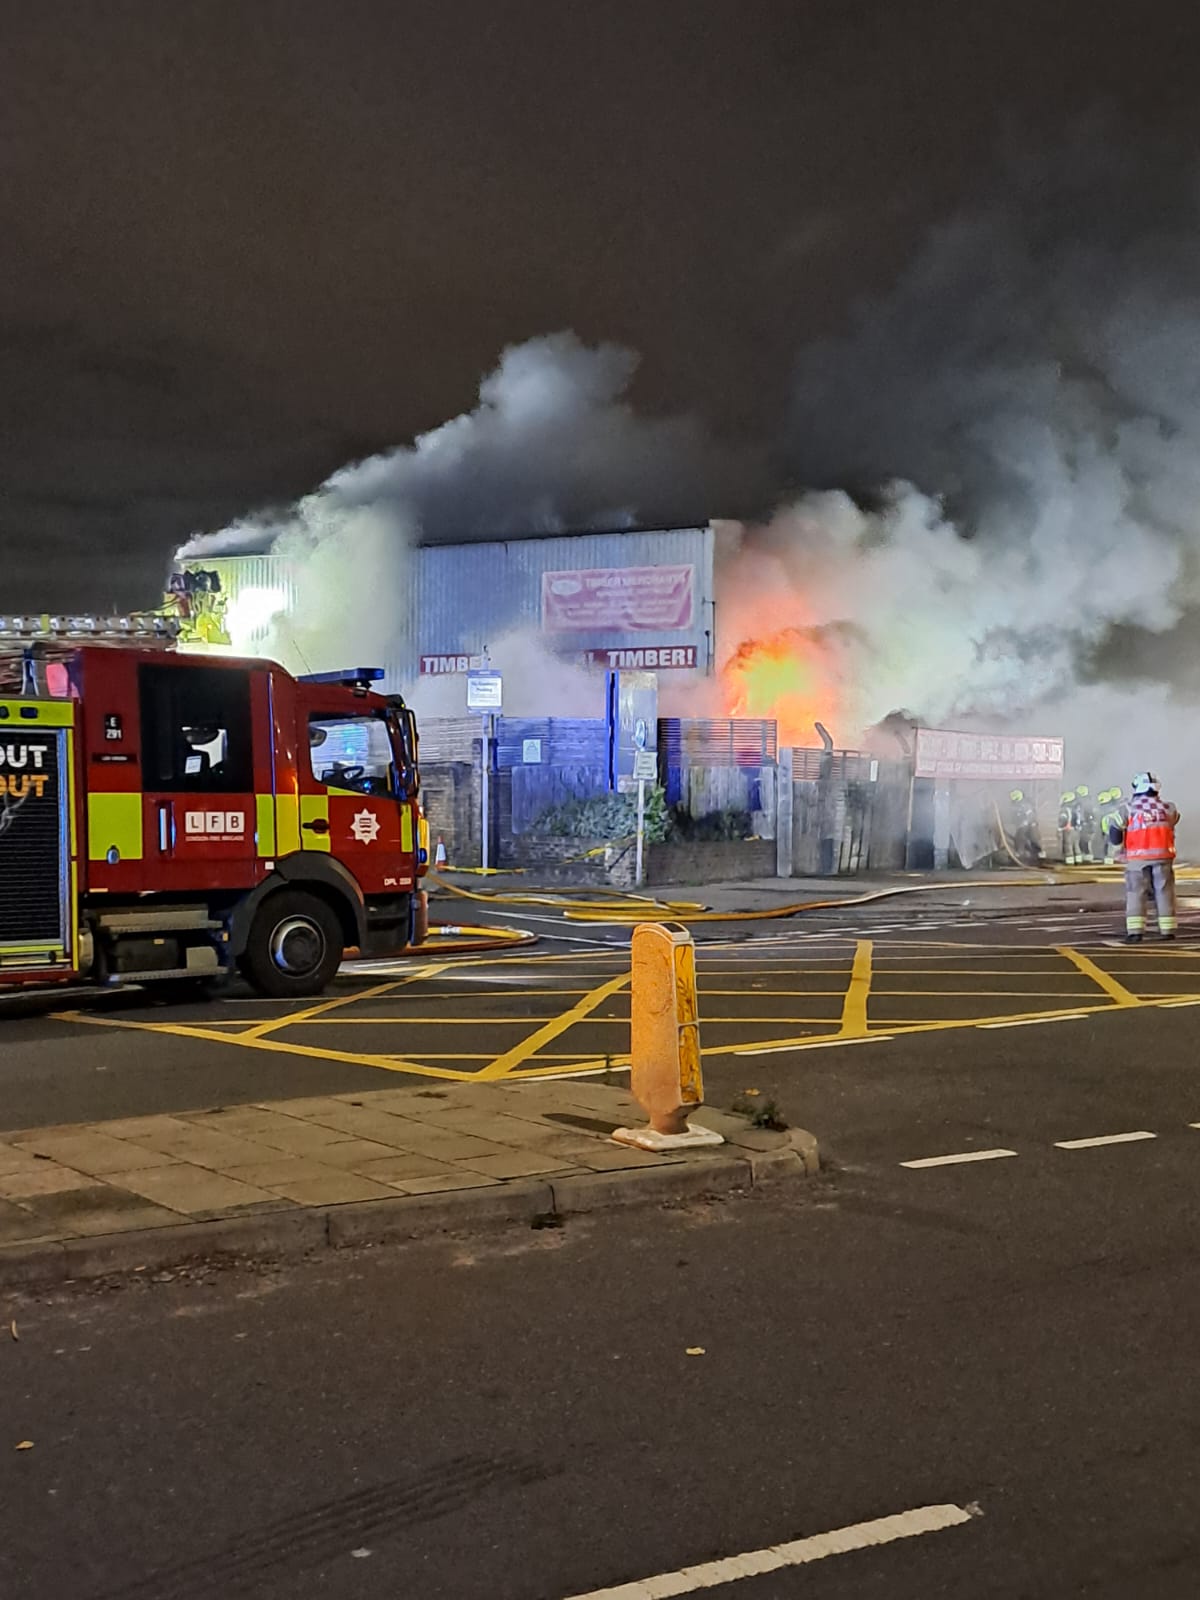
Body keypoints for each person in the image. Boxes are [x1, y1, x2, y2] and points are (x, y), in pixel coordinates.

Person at [1107, 772, 1180, 943]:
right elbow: (1173, 821)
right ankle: (1167, 930)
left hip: (1137, 859)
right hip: (1163, 857)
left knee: (1136, 893)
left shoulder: (1128, 808)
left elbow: (1115, 830)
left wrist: (1118, 845)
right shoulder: (1169, 808)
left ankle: (1135, 932)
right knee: (1165, 892)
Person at [1074, 784, 1096, 863]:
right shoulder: (1085, 801)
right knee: (1082, 840)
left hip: (1086, 824)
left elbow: (1087, 813)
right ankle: (1085, 854)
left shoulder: (1086, 802)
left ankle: (1087, 854)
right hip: (1084, 824)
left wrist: (1085, 822)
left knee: (1085, 840)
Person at [1058, 790, 1078, 864]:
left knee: (1067, 845)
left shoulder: (1064, 809)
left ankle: (1069, 861)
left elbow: (1063, 819)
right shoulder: (1074, 808)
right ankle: (1078, 860)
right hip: (1074, 829)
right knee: (1075, 845)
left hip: (1067, 829)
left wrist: (1060, 828)